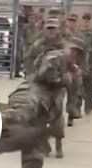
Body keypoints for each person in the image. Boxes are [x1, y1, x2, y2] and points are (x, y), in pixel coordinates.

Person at [8, 39, 84, 168]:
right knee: (11, 127)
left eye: (78, 54)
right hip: (30, 104)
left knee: (34, 157)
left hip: (37, 113)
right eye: (72, 51)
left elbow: (58, 101)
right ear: (66, 49)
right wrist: (68, 77)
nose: (74, 56)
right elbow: (46, 75)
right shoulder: (55, 57)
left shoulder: (65, 66)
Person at [26, 18, 66, 158]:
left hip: (58, 85)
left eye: (53, 28)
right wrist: (31, 75)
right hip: (41, 84)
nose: (51, 31)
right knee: (40, 113)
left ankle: (59, 145)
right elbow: (28, 59)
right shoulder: (38, 45)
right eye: (48, 28)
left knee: (57, 114)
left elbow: (72, 62)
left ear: (58, 29)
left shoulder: (64, 45)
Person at [21, 12, 39, 76]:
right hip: (28, 48)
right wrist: (24, 48)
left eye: (33, 18)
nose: (31, 20)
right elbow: (23, 38)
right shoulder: (25, 28)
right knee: (28, 65)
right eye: (30, 18)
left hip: (36, 49)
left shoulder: (38, 28)